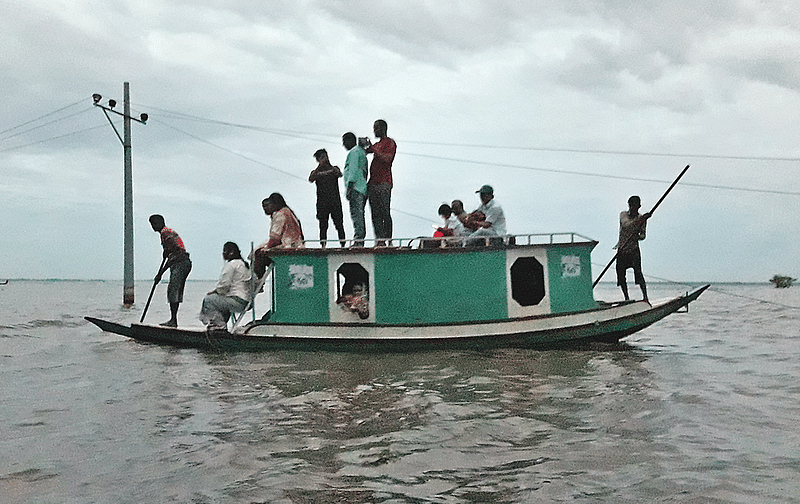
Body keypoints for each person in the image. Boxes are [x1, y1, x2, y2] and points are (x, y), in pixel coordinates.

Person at [149, 214, 192, 327]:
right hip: (183, 262)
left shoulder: (165, 232)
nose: (153, 226)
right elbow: (169, 252)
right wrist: (166, 253)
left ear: (160, 223)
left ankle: (173, 321)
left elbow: (174, 255)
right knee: (175, 290)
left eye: (154, 224)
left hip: (180, 262)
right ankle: (173, 320)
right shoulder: (166, 233)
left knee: (173, 290)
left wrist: (160, 274)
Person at [200, 242, 251, 330]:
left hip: (237, 301)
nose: (223, 254)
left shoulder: (231, 264)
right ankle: (221, 324)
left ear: (231, 252)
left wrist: (215, 291)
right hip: (246, 301)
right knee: (220, 301)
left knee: (208, 299)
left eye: (224, 251)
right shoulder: (243, 264)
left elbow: (224, 285)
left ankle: (218, 325)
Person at [253, 193, 304, 278]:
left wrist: (266, 249)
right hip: (296, 245)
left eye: (267, 205)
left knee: (258, 254)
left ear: (275, 204)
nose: (265, 208)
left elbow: (275, 238)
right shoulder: (289, 212)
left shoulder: (280, 214)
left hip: (288, 247)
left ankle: (258, 280)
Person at [363, 119, 396, 246]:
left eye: (376, 128)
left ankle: (389, 239)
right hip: (373, 183)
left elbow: (388, 159)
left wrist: (374, 149)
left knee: (384, 212)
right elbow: (366, 151)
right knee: (375, 213)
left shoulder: (390, 143)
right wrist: (365, 146)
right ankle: (379, 240)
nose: (374, 130)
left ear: (382, 129)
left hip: (384, 182)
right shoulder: (377, 144)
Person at [616, 195, 651, 303]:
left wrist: (637, 236)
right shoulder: (623, 215)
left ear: (639, 206)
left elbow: (643, 235)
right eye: (631, 206)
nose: (633, 208)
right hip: (622, 249)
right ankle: (626, 298)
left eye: (635, 206)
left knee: (639, 274)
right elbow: (626, 225)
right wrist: (640, 219)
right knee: (621, 275)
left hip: (633, 250)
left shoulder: (642, 219)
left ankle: (645, 297)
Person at [308, 149, 346, 248]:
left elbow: (339, 174)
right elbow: (311, 178)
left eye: (325, 157)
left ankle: (343, 244)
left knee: (339, 224)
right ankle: (323, 245)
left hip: (335, 201)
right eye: (322, 158)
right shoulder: (316, 172)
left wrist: (327, 167)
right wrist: (320, 166)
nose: (325, 159)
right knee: (323, 225)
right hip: (322, 202)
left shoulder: (334, 169)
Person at [342, 132, 368, 247]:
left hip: (356, 188)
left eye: (344, 142)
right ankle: (359, 239)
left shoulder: (353, 152)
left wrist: (349, 187)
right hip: (362, 188)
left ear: (349, 140)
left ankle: (358, 240)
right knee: (360, 214)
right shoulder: (361, 153)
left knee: (356, 215)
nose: (344, 145)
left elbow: (352, 170)